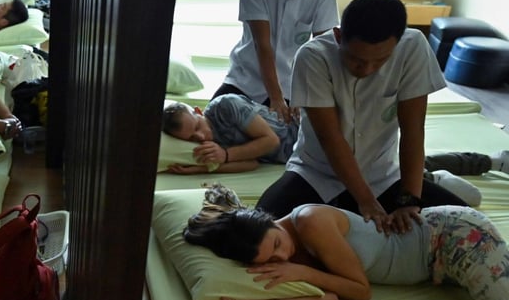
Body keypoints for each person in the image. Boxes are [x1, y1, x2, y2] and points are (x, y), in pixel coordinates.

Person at [182, 184, 509, 300]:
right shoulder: (279, 253)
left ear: (269, 220)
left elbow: (360, 292)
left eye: (277, 246)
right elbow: (329, 299)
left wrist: (304, 273)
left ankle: (442, 178)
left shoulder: (311, 222)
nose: (281, 259)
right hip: (437, 270)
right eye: (269, 261)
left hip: (451, 237)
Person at [255, 0, 467, 231]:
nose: (367, 69)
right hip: (317, 172)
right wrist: (365, 201)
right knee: (257, 231)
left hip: (382, 174)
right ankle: (432, 175)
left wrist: (409, 201)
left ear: (397, 44)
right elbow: (331, 138)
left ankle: (432, 176)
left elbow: (413, 130)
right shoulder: (313, 57)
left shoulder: (413, 47)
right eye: (355, 59)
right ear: (338, 36)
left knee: (464, 224)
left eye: (380, 61)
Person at [161, 98, 506, 206]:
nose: (198, 138)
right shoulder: (210, 142)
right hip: (304, 159)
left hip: (316, 135)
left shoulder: (223, 108)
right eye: (191, 140)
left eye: (196, 128)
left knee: (391, 167)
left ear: (197, 110)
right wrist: (201, 170)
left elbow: (266, 142)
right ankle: (439, 178)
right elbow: (252, 161)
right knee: (389, 172)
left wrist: (222, 155)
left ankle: (486, 162)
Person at [214, 0, 338, 123]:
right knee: (215, 117)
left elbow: (323, 47)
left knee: (293, 133)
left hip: (292, 80)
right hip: (248, 75)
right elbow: (262, 45)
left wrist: (302, 93)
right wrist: (276, 97)